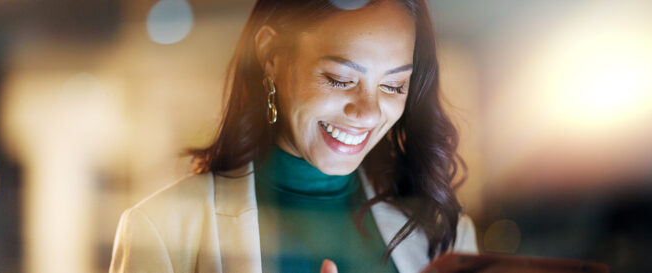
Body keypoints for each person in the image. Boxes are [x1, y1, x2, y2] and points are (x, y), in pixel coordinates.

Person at [109, 0, 478, 272]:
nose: (367, 112)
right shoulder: (159, 229)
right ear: (270, 55)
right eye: (340, 79)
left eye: (394, 85)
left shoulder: (444, 231)